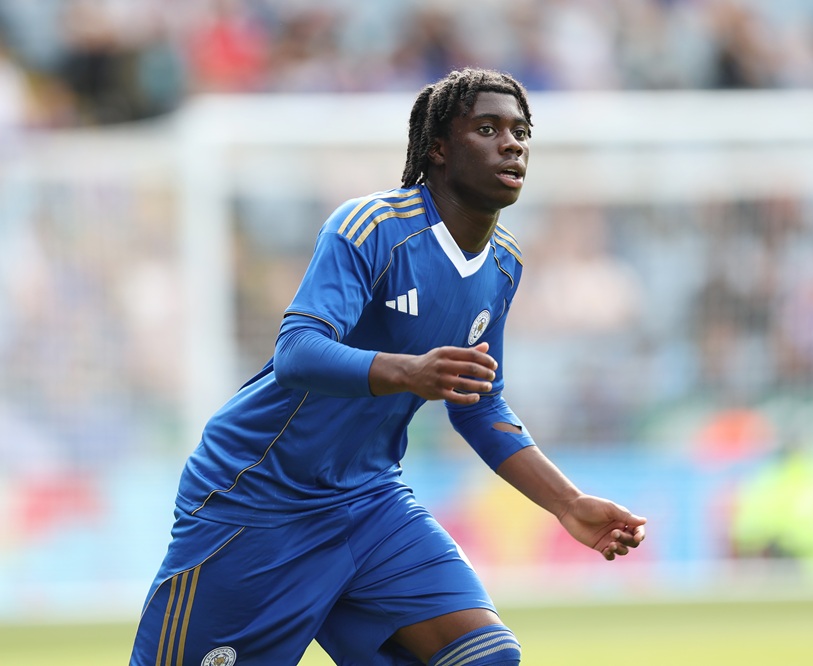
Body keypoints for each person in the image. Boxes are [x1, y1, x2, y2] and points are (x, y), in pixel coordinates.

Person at [130, 67, 646, 666]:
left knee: (484, 657)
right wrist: (407, 371)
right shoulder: (371, 228)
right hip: (258, 502)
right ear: (438, 148)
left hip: (368, 504)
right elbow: (296, 351)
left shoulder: (502, 264)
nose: (512, 143)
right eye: (488, 128)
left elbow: (479, 403)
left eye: (521, 131)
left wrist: (566, 503)